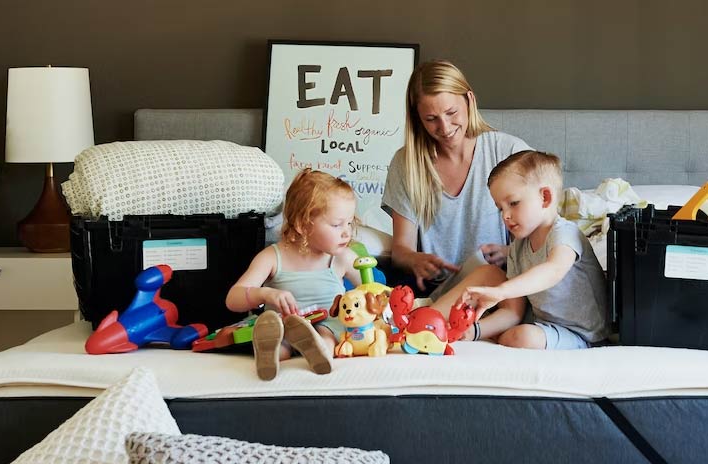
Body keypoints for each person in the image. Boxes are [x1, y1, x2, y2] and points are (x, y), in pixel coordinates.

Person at [382, 59, 530, 342]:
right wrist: (415, 259)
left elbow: (541, 234)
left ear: (469, 100)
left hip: (496, 289)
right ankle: (426, 325)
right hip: (435, 290)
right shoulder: (406, 164)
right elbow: (401, 250)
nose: (445, 127)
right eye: (431, 119)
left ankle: (422, 328)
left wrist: (510, 252)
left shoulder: (508, 152)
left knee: (493, 277)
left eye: (452, 113)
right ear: (417, 118)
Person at [462, 151, 609, 350]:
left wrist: (501, 291)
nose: (505, 215)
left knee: (523, 337)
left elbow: (553, 271)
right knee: (514, 329)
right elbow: (513, 311)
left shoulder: (564, 233)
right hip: (545, 326)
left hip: (585, 335)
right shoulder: (518, 247)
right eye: (500, 208)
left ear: (545, 197)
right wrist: (474, 331)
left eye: (513, 203)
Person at [226, 169, 362, 379]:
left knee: (328, 332)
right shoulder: (272, 257)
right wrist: (265, 294)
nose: (347, 232)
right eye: (337, 225)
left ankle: (318, 351)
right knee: (281, 337)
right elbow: (233, 299)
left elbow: (373, 290)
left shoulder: (342, 257)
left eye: (349, 223)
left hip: (328, 323)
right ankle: (270, 355)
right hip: (286, 325)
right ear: (302, 224)